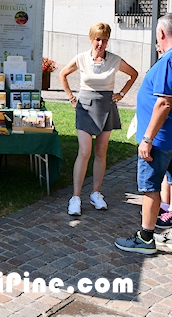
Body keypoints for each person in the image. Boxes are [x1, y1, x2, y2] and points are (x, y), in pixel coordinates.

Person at [115, 13, 172, 254]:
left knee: (150, 187)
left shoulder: (170, 61)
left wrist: (147, 138)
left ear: (162, 34)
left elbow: (164, 103)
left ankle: (145, 238)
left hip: (161, 138)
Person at [59, 22, 139, 216]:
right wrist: (71, 97)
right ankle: (75, 197)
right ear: (91, 39)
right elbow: (62, 74)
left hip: (106, 105)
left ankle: (96, 193)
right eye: (97, 39)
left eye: (104, 40)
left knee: (101, 151)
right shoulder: (81, 58)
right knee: (84, 151)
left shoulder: (114, 60)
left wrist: (121, 93)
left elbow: (133, 74)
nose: (100, 43)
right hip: (85, 106)